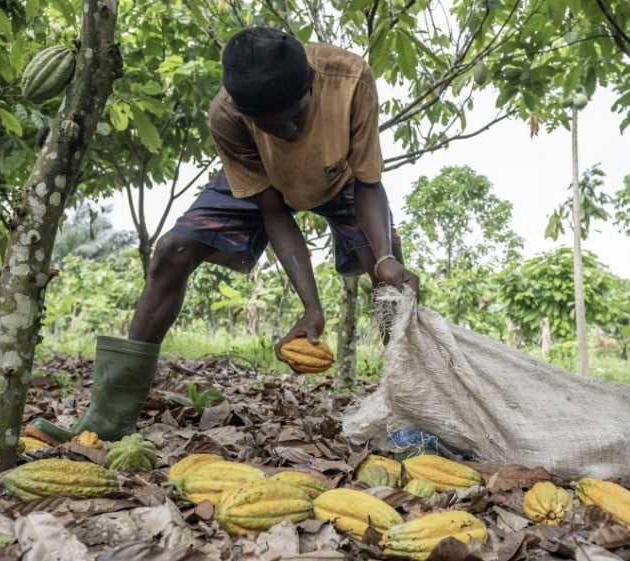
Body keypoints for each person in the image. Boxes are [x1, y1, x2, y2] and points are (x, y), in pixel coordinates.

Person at [28, 27, 419, 443]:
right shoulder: (227, 115)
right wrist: (311, 308)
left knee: (391, 280)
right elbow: (274, 210)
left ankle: (411, 416)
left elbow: (369, 183)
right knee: (172, 250)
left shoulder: (350, 79)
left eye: (295, 118)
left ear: (311, 86)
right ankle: (108, 416)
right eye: (271, 127)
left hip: (341, 179)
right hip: (263, 181)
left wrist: (382, 258)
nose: (286, 133)